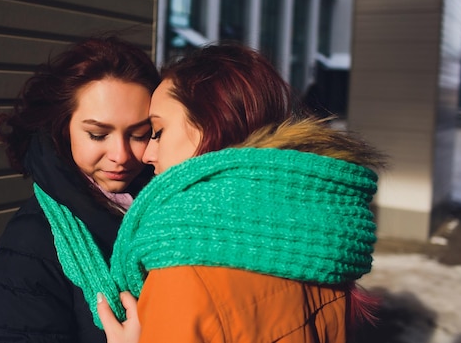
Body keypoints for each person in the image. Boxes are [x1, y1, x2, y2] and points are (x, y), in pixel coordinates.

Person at [97, 43, 386, 343]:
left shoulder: (182, 264)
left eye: (157, 132)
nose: (146, 154)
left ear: (211, 127)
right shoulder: (321, 231)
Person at [0, 35, 160, 343]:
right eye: (98, 135)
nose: (121, 155)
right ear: (62, 130)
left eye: (139, 134)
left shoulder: (160, 208)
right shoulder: (34, 240)